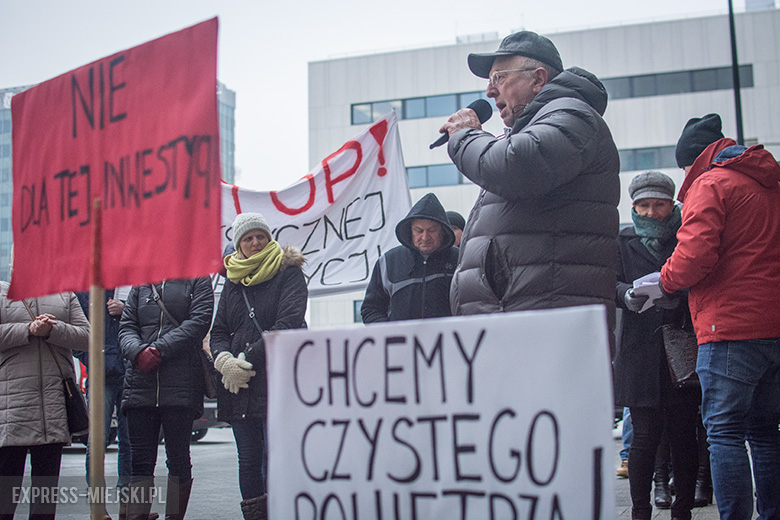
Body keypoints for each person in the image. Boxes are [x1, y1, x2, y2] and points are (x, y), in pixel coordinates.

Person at [439, 30, 620, 331]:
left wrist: (465, 135)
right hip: (525, 320)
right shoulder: (539, 127)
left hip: (545, 325)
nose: (489, 91)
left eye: (498, 78)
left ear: (538, 79)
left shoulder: (573, 115)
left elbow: (513, 167)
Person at [660, 113, 780, 520]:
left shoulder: (711, 183)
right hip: (774, 326)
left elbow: (694, 258)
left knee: (724, 433)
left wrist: (662, 279)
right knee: (766, 433)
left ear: (694, 158)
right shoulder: (770, 183)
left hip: (728, 328)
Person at [613, 170, 699, 520]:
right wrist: (625, 295)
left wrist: (678, 298)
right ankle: (639, 511)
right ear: (634, 207)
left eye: (659, 205)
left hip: (680, 345)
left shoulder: (687, 237)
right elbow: (609, 282)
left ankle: (682, 510)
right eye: (643, 206)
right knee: (644, 436)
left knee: (683, 433)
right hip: (639, 348)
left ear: (672, 205)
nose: (651, 213)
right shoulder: (622, 240)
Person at [210, 212, 308, 520]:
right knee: (248, 459)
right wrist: (224, 360)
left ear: (269, 238)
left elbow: (288, 323)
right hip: (239, 385)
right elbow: (219, 330)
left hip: (277, 379)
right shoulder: (233, 280)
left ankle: (282, 513)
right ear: (238, 245)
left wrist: (246, 361)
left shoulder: (288, 272)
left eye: (260, 236)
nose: (255, 242)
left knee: (277, 457)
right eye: (248, 238)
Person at [119, 278, 213, 520]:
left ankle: (174, 516)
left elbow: (199, 322)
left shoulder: (198, 279)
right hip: (140, 382)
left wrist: (159, 349)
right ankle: (137, 516)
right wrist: (138, 352)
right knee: (139, 461)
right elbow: (126, 326)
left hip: (181, 382)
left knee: (178, 457)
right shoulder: (140, 283)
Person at [0, 266, 90, 520]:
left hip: (52, 410)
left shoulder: (64, 295)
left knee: (44, 503)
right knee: (4, 500)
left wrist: (54, 330)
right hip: (10, 409)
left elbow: (88, 338)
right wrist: (27, 331)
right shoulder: (1, 293)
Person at [75, 290, 149, 520]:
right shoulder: (84, 291)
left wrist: (125, 308)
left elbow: (147, 320)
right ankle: (97, 506)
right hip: (101, 375)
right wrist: (94, 359)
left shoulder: (129, 287)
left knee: (130, 441)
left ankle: (127, 504)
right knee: (97, 441)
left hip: (130, 371)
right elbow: (76, 335)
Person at [361, 193, 459, 323]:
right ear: (410, 231)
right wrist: (391, 334)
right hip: (403, 342)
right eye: (419, 230)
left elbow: (472, 303)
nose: (425, 237)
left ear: (442, 231)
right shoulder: (388, 261)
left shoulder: (460, 258)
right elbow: (371, 309)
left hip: (450, 341)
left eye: (432, 230)